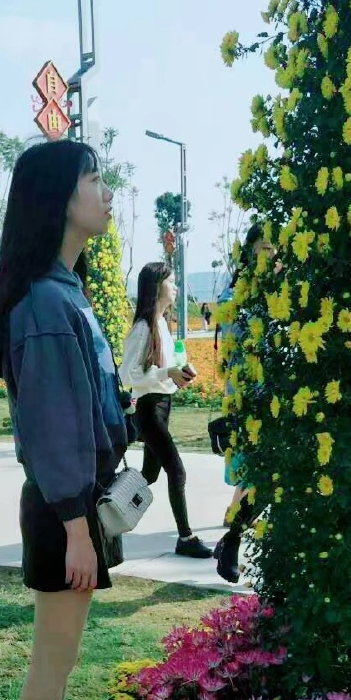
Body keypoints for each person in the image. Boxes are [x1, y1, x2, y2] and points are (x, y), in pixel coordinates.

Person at [0, 139, 127, 700]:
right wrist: (76, 530)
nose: (106, 193)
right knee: (53, 659)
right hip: (63, 510)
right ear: (61, 199)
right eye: (94, 179)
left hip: (76, 507)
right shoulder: (43, 301)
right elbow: (52, 427)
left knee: (61, 658)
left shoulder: (63, 290)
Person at [120, 262, 214, 559]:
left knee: (149, 475)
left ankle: (104, 507)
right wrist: (166, 373)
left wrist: (178, 373)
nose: (175, 287)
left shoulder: (161, 322)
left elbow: (161, 369)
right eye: (171, 282)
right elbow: (128, 374)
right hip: (148, 408)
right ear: (156, 286)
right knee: (176, 470)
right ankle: (185, 537)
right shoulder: (143, 327)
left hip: (162, 405)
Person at [214, 223, 274, 583]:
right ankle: (232, 540)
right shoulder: (235, 297)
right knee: (257, 475)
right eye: (264, 247)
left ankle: (231, 540)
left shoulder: (280, 289)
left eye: (275, 248)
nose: (272, 254)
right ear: (249, 252)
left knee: (263, 477)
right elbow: (240, 348)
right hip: (249, 398)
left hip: (279, 396)